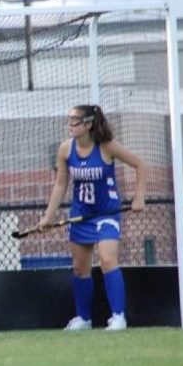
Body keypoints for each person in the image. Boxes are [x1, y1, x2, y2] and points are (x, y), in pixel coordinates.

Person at [38, 104, 146, 331]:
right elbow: (60, 184)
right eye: (68, 120)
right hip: (81, 215)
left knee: (107, 260)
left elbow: (140, 165)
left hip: (107, 213)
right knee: (80, 268)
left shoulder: (107, 147)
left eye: (75, 121)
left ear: (88, 124)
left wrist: (139, 197)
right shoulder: (66, 150)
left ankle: (118, 316)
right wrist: (48, 216)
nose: (70, 125)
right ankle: (84, 318)